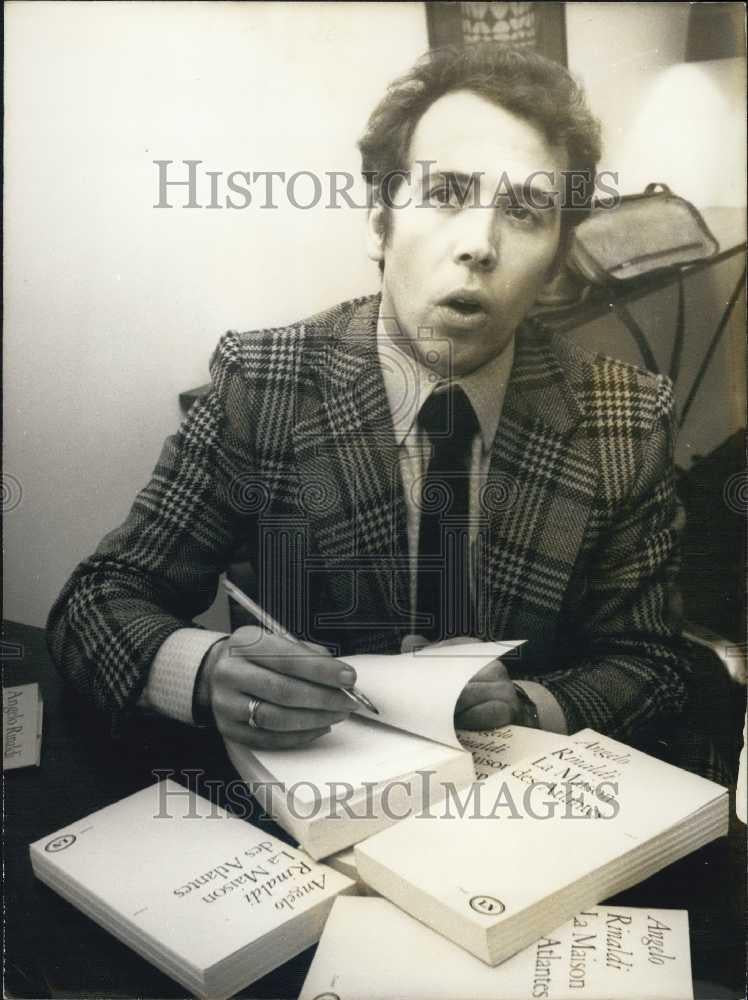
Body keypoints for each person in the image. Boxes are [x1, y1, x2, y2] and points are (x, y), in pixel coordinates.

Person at [47, 44, 723, 780]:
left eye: (525, 212)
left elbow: (651, 662)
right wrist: (204, 670)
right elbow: (97, 601)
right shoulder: (264, 384)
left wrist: (529, 704)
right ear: (380, 223)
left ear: (557, 263)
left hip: (523, 800)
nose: (479, 246)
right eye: (446, 193)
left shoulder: (625, 419)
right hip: (311, 799)